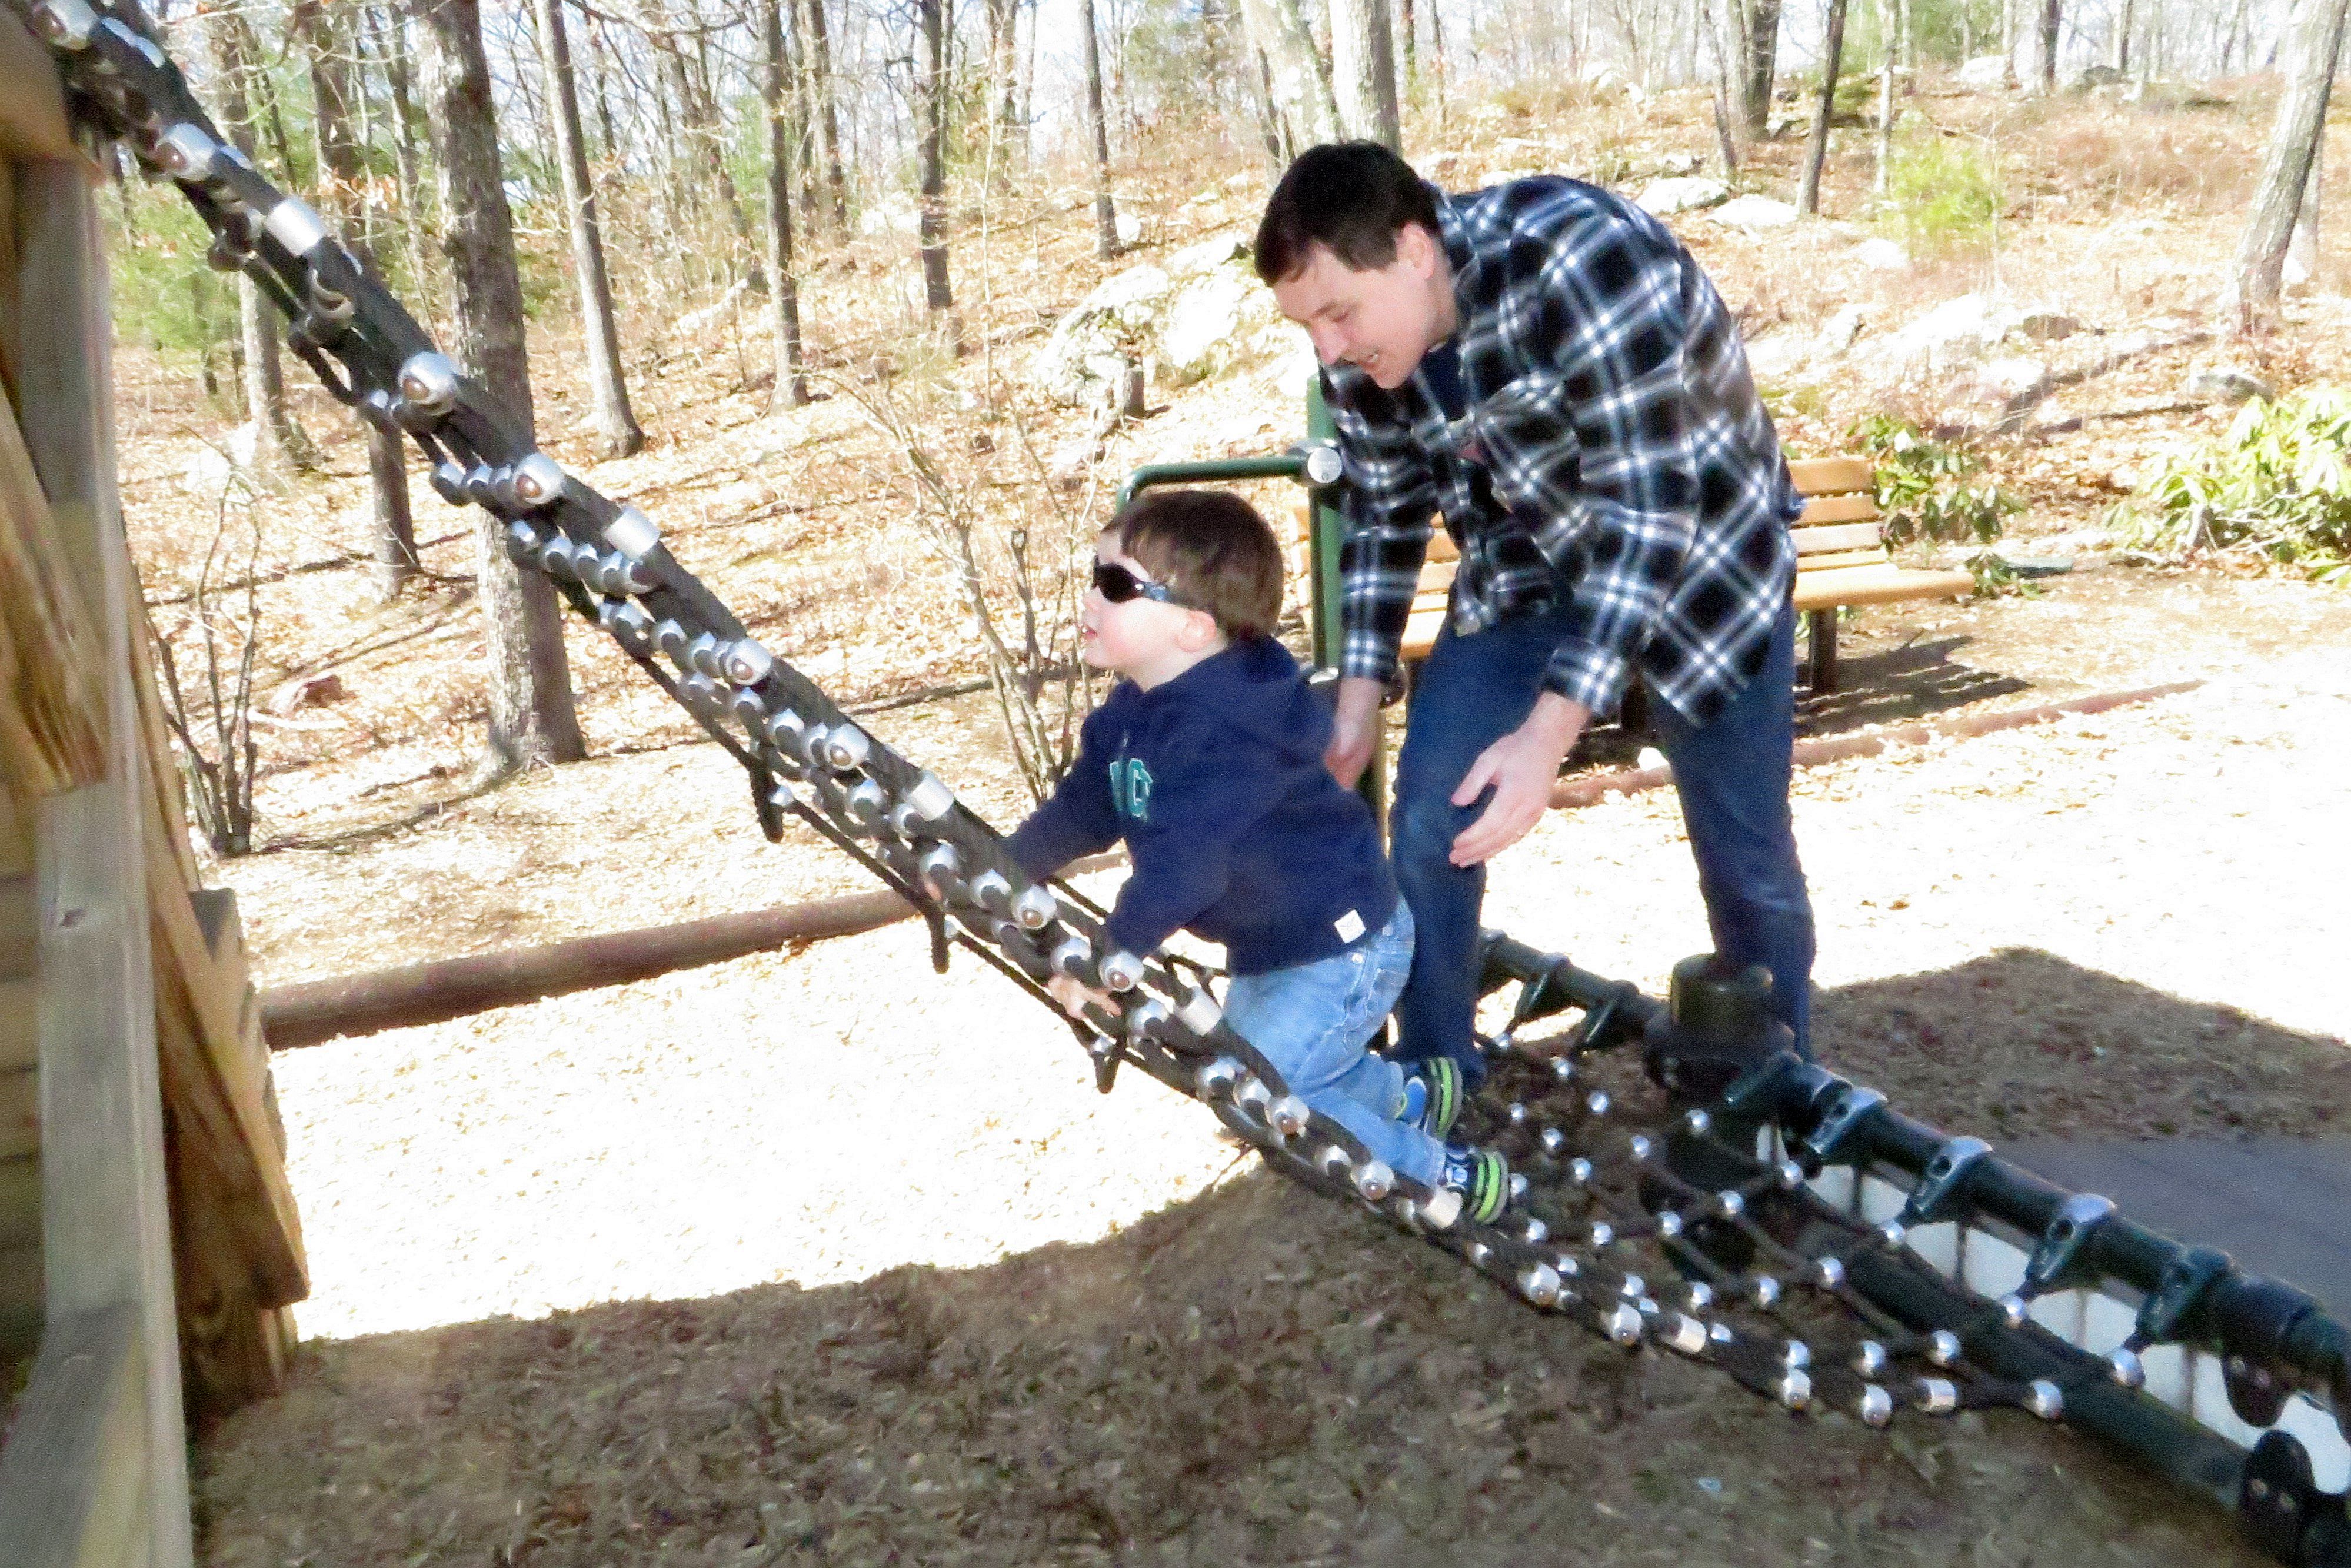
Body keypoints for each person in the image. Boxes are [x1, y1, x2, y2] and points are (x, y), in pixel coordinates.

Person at [1255, 141, 1817, 1092]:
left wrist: (1546, 740)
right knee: (1430, 817)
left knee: (1746, 864)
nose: (1329, 350)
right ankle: (1434, 1075)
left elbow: (1649, 522)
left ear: (1415, 250)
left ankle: (1779, 1101)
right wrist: (1353, 706)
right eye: (1306, 325)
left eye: (1339, 313)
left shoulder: (1584, 260)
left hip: (1704, 567)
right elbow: (1385, 515)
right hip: (1523, 572)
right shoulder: (1361, 353)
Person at [1004, 489, 1508, 1223]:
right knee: (1272, 1069)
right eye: (1094, 575)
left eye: (1114, 584)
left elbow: (1187, 868)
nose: (1090, 597)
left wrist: (1115, 957)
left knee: (1274, 1093)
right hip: (1274, 945)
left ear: (1193, 626)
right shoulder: (1134, 710)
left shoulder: (1228, 731)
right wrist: (1010, 865)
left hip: (1342, 949)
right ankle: (1409, 1097)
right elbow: (1087, 806)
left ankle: (1444, 1171)